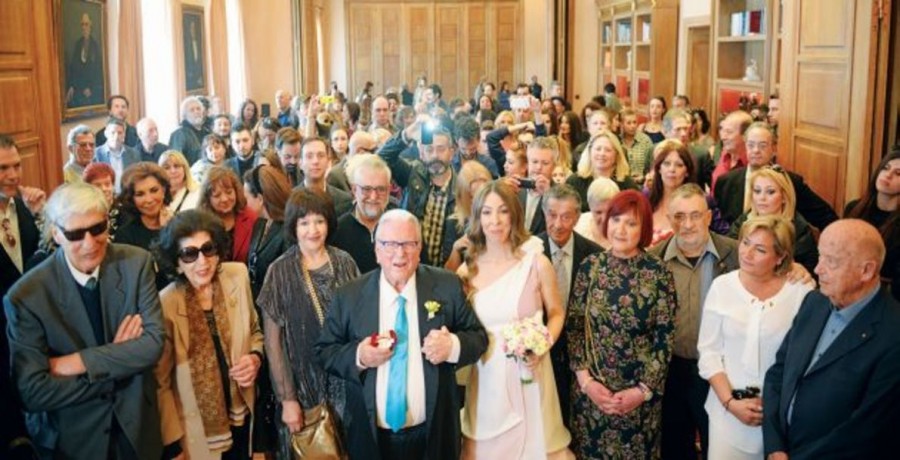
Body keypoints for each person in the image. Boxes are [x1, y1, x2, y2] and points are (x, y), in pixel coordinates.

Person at [5, 182, 164, 459]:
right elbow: (33, 392)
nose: (90, 243)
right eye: (76, 234)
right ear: (56, 234)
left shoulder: (136, 263)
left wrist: (77, 362)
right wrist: (120, 362)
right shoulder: (26, 296)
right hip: (73, 441)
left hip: (137, 431)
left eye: (97, 229)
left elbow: (153, 345)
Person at [315, 209, 488, 460]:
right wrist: (359, 356)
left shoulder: (446, 285)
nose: (400, 253)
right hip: (370, 436)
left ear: (420, 248)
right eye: (389, 244)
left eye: (409, 244)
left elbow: (478, 338)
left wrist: (452, 346)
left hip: (434, 433)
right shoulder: (350, 295)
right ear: (376, 250)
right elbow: (324, 351)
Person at [763, 219, 900, 458]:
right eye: (820, 256)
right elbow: (779, 372)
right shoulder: (814, 302)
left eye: (831, 261)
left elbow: (867, 429)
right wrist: (774, 446)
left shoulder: (893, 333)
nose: (818, 269)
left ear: (866, 271)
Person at [456, 180, 572, 459]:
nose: (495, 221)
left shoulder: (536, 263)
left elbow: (557, 313)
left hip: (529, 373)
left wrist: (542, 345)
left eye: (503, 211)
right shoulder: (466, 271)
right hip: (486, 379)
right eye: (486, 212)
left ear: (514, 215)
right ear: (477, 217)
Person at [567, 189, 677, 459]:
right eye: (616, 220)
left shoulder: (659, 273)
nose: (621, 229)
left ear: (644, 228)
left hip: (638, 402)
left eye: (631, 223)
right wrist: (586, 383)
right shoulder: (590, 266)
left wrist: (642, 391)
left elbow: (664, 339)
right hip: (592, 397)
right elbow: (575, 328)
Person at [697, 215, 812, 459]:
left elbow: (806, 359)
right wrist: (730, 403)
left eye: (760, 249)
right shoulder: (722, 286)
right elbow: (709, 353)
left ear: (780, 257)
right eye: (745, 242)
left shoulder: (801, 292)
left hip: (780, 419)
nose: (747, 253)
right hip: (727, 412)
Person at [257, 189, 360, 459]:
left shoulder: (345, 262)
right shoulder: (279, 271)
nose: (312, 230)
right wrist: (287, 399)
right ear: (293, 226)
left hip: (347, 384)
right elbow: (273, 344)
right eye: (304, 223)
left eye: (319, 221)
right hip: (303, 391)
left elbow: (361, 321)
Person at [153, 210, 264, 459]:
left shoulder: (238, 276)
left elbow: (256, 331)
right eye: (189, 254)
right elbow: (161, 383)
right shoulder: (166, 303)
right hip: (196, 428)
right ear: (177, 262)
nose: (202, 261)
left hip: (242, 411)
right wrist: (172, 445)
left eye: (208, 249)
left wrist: (255, 357)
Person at [649, 183, 740, 460]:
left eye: (695, 215)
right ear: (669, 219)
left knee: (718, 445)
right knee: (675, 447)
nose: (687, 224)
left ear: (708, 217)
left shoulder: (735, 255)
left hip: (721, 371)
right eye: (679, 216)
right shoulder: (653, 260)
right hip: (672, 371)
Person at [537, 185, 603, 430]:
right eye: (552, 215)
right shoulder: (529, 250)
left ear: (577, 217)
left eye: (566, 216)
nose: (558, 224)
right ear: (544, 214)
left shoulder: (595, 255)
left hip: (582, 353)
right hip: (540, 349)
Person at [714, 122, 837, 231]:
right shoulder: (725, 182)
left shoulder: (790, 182)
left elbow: (826, 217)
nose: (756, 150)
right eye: (751, 145)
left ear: (774, 149)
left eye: (762, 145)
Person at [727, 166, 819, 275]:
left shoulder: (799, 229)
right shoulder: (743, 221)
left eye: (770, 192)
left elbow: (810, 270)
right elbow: (729, 255)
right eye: (757, 191)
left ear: (784, 197)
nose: (762, 198)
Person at [844, 147, 900, 300]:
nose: (888, 175)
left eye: (898, 173)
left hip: (884, 294)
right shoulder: (854, 208)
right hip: (847, 282)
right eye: (885, 168)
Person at [332, 154, 394, 273]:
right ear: (354, 190)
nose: (373, 196)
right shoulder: (337, 232)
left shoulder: (403, 227)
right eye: (366, 189)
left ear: (389, 190)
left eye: (380, 189)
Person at [567, 130, 639, 211]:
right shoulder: (574, 182)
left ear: (617, 155)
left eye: (608, 150)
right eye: (598, 149)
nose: (602, 154)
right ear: (590, 151)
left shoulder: (627, 185)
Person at [198, 166, 258, 263]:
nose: (224, 199)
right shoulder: (200, 224)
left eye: (229, 192)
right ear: (207, 199)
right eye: (217, 195)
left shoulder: (251, 216)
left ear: (236, 191)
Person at [443, 161, 492, 271]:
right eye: (472, 197)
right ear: (463, 197)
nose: (479, 202)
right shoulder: (454, 223)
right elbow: (447, 274)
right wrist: (456, 250)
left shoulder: (498, 219)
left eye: (483, 195)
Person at [112, 162, 172, 252]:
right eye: (140, 194)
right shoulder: (125, 235)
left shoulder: (180, 225)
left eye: (154, 190)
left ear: (164, 190)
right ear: (131, 199)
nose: (149, 199)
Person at [295, 137, 353, 217]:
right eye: (309, 156)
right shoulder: (290, 199)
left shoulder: (344, 201)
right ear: (300, 163)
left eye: (321, 156)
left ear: (328, 162)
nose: (315, 161)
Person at [66, 13, 103, 107]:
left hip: (91, 92)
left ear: (91, 25)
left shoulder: (95, 46)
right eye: (82, 24)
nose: (84, 27)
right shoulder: (78, 45)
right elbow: (73, 68)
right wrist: (72, 86)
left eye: (86, 24)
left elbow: (98, 72)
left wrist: (91, 89)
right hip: (78, 89)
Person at [94, 119, 141, 193]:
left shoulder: (134, 154)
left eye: (120, 133)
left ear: (124, 135)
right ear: (106, 134)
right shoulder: (96, 154)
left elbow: (138, 179)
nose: (116, 136)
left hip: (127, 196)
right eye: (112, 132)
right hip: (105, 195)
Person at [711, 110, 753, 193]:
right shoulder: (723, 155)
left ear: (745, 135)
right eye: (723, 131)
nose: (723, 137)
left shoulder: (753, 162)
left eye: (729, 132)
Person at [573, 177, 620, 249]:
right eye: (598, 212)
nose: (604, 219)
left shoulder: (626, 231)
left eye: (609, 212)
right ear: (590, 207)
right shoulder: (578, 228)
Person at [170, 96, 212, 165]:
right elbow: (176, 160)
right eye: (192, 110)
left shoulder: (208, 133)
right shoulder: (179, 134)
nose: (196, 112)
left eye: (198, 109)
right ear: (185, 115)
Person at [159, 150, 200, 215]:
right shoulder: (157, 194)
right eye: (167, 168)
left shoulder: (198, 193)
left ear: (185, 169)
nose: (173, 171)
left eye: (177, 166)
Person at [619, 108, 654, 183]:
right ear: (622, 124)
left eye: (634, 122)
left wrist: (644, 177)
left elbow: (652, 166)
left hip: (642, 183)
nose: (633, 126)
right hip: (621, 183)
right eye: (629, 123)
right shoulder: (618, 140)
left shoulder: (645, 141)